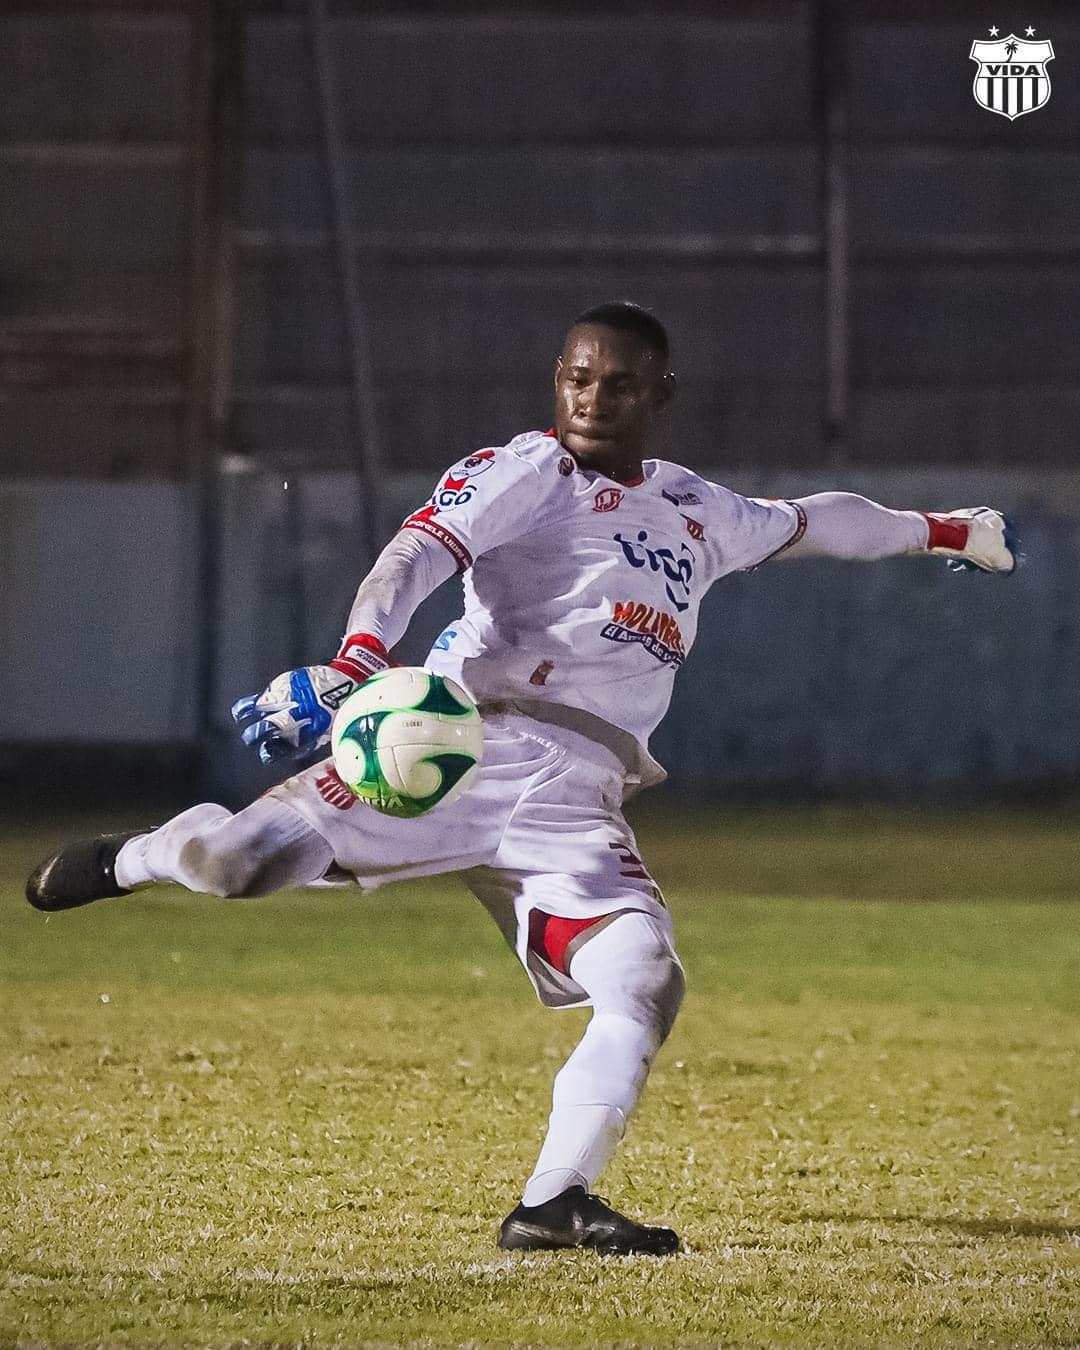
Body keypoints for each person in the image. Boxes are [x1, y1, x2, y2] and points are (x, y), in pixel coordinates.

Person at [27, 301, 1017, 1256]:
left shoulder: (696, 509)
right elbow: (418, 552)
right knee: (234, 865)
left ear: (659, 394)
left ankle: (553, 1200)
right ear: (558, 380)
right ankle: (143, 855)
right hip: (453, 747)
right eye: (576, 378)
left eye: (617, 384)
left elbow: (818, 520)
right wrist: (359, 660)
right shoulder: (529, 470)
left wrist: (944, 529)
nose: (591, 398)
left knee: (644, 978)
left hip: (578, 794)